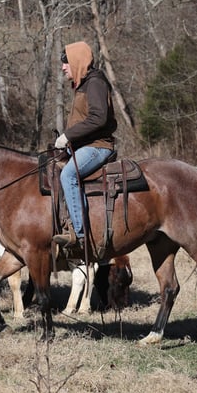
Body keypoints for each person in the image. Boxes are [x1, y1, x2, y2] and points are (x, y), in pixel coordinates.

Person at [52, 41, 117, 248]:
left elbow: (98, 118)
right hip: (84, 146)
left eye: (66, 62)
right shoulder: (83, 84)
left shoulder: (95, 83)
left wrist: (68, 136)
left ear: (77, 62)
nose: (63, 67)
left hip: (98, 146)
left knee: (68, 175)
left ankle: (79, 235)